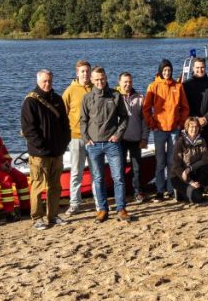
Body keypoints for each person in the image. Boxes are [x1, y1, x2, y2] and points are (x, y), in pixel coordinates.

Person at [21, 69, 72, 230]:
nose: (47, 84)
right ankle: (37, 217)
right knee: (37, 185)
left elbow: (65, 124)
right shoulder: (30, 102)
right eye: (44, 81)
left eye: (49, 81)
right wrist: (42, 147)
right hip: (39, 154)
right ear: (38, 81)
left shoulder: (57, 99)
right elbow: (29, 130)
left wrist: (64, 143)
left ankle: (53, 215)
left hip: (57, 152)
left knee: (55, 186)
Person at [80, 67, 130, 222]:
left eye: (102, 79)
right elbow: (82, 121)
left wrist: (118, 135)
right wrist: (86, 138)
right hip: (93, 145)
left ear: (106, 78)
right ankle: (102, 210)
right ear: (92, 80)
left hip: (112, 143)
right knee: (99, 178)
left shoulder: (115, 96)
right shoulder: (87, 98)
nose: (99, 82)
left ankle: (121, 208)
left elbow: (124, 118)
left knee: (118, 177)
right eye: (96, 80)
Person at [143, 59, 190, 202]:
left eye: (169, 70)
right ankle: (159, 190)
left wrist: (180, 124)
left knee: (172, 161)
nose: (167, 73)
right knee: (160, 162)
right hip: (159, 130)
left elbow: (185, 108)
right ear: (160, 71)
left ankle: (171, 189)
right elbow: (146, 108)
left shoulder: (178, 86)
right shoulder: (153, 86)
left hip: (174, 130)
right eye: (165, 70)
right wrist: (153, 125)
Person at [62, 60, 92, 216]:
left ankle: (99, 202)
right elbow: (61, 114)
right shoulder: (70, 91)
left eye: (87, 71)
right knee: (76, 172)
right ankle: (74, 203)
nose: (85, 74)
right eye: (82, 71)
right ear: (77, 73)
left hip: (94, 138)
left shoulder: (95, 88)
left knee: (96, 172)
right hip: (76, 137)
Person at [117, 72, 149, 203]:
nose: (127, 84)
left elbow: (145, 121)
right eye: (125, 82)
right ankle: (122, 193)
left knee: (137, 168)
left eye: (129, 82)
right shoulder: (115, 97)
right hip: (120, 139)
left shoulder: (140, 98)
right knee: (120, 168)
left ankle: (137, 192)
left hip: (136, 138)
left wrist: (145, 138)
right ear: (119, 83)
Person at [170, 117, 208, 203]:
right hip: (179, 176)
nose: (194, 129)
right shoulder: (180, 142)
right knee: (196, 199)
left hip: (193, 172)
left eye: (196, 126)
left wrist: (189, 168)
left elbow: (204, 160)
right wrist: (190, 181)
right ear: (187, 128)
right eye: (191, 127)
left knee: (207, 168)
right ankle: (181, 193)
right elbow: (176, 166)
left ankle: (196, 190)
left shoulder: (202, 141)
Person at [183, 58, 208, 140]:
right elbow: (185, 104)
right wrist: (196, 118)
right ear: (193, 68)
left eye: (202, 67)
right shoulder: (186, 85)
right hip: (192, 126)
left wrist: (206, 118)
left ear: (205, 67)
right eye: (197, 67)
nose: (200, 70)